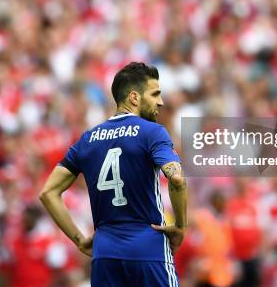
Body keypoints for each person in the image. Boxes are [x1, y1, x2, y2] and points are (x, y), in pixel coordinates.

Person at [40, 62, 187, 287]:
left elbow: (48, 192)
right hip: (147, 247)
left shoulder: (87, 139)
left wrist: (80, 241)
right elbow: (176, 179)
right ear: (134, 98)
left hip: (105, 252)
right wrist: (180, 227)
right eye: (155, 94)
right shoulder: (153, 132)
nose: (161, 102)